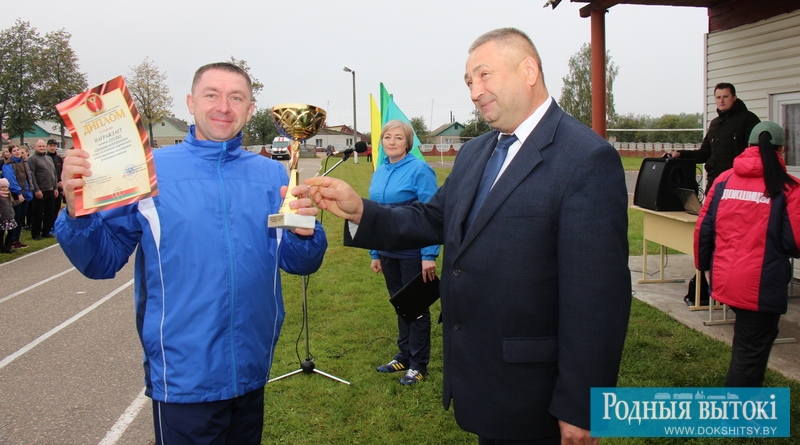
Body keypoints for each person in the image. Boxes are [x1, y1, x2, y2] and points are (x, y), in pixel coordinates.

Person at [307, 27, 631, 444]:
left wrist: (582, 406)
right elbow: (430, 219)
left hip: (537, 393)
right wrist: (361, 211)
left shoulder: (586, 158)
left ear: (528, 70)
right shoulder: (477, 151)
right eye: (468, 81)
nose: (475, 92)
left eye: (484, 76)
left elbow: (597, 300)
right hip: (480, 376)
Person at [55, 62, 328, 445]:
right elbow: (101, 261)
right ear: (190, 102)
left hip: (251, 367)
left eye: (236, 98)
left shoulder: (273, 176)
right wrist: (75, 212)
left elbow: (302, 264)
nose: (224, 107)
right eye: (212, 95)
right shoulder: (147, 172)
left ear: (250, 109)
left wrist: (306, 234)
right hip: (184, 375)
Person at [695, 121, 800, 387]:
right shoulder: (790, 187)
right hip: (761, 284)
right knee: (749, 354)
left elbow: (703, 229)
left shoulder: (724, 180)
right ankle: (737, 418)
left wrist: (705, 269)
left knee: (746, 343)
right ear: (782, 150)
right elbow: (794, 242)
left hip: (726, 278)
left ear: (748, 147)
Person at [370, 120, 439, 385]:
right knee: (401, 304)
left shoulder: (419, 169)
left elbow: (433, 214)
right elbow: (375, 214)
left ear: (408, 143)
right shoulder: (380, 170)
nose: (392, 142)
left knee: (417, 307)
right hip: (389, 252)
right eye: (387, 137)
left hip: (413, 252)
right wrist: (375, 252)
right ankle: (404, 355)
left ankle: (419, 364)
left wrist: (428, 255)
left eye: (398, 137)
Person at [668, 82, 760, 191]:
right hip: (714, 183)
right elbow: (704, 153)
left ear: (734, 98)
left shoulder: (749, 119)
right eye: (718, 97)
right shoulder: (715, 124)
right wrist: (680, 154)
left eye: (725, 96)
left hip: (738, 184)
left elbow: (756, 153)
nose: (721, 100)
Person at [27, 139, 59, 240]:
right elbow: (31, 175)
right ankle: (36, 233)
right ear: (35, 147)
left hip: (51, 189)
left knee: (50, 212)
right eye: (39, 146)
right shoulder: (32, 159)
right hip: (41, 190)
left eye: (43, 146)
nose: (42, 148)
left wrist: (55, 188)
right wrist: (36, 189)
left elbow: (54, 173)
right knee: (38, 213)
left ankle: (46, 231)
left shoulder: (49, 158)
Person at [2, 145, 33, 249]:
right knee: (15, 219)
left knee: (20, 219)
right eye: (14, 151)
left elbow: (29, 178)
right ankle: (11, 241)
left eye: (18, 150)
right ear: (11, 153)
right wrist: (19, 193)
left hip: (25, 194)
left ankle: (17, 240)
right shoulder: (8, 165)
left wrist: (29, 192)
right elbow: (11, 180)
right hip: (16, 195)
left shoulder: (24, 163)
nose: (17, 152)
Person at [46, 139, 65, 212]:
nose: (52, 148)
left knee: (57, 208)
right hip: (49, 187)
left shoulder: (59, 158)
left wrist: (62, 181)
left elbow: (62, 171)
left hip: (59, 186)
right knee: (49, 210)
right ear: (47, 146)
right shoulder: (45, 158)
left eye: (54, 146)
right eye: (51, 146)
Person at [0, 178, 18, 253]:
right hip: (2, 218)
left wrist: (18, 202)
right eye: (2, 187)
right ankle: (2, 246)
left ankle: (8, 245)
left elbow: (11, 204)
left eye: (5, 187)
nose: (4, 189)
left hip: (10, 217)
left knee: (12, 231)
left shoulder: (8, 195)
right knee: (1, 233)